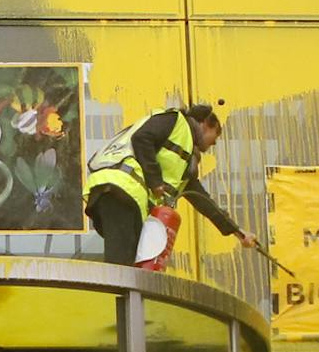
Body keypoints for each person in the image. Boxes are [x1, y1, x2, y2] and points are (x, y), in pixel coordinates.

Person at [84, 102, 257, 267]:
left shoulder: (184, 159)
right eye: (216, 135)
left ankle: (126, 296)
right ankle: (120, 295)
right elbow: (142, 138)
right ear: (205, 124)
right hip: (120, 190)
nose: (214, 143)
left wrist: (238, 232)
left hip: (121, 194)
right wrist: (155, 182)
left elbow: (203, 201)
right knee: (122, 265)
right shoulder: (174, 120)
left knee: (130, 261)